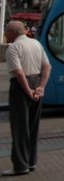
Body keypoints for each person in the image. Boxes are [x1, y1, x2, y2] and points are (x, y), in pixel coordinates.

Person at [4, 20, 51, 176]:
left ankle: (20, 166)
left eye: (6, 32)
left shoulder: (13, 48)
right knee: (32, 126)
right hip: (37, 81)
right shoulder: (36, 44)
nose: (5, 34)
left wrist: (27, 90)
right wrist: (41, 87)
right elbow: (47, 66)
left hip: (20, 87)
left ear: (13, 33)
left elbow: (18, 73)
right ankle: (31, 162)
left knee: (19, 128)